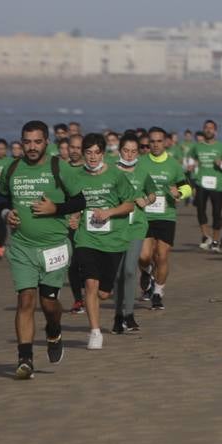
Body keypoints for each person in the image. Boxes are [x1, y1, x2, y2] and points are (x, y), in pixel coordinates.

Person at [0, 120, 87, 379]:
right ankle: (25, 359)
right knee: (25, 299)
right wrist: (7, 213)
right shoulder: (12, 168)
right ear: (21, 142)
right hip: (22, 247)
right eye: (27, 142)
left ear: (46, 142)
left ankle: (53, 328)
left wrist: (56, 209)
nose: (32, 147)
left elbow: (81, 199)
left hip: (54, 246)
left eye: (37, 141)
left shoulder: (59, 168)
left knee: (48, 303)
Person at [71, 134, 138, 350]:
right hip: (86, 238)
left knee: (104, 292)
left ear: (103, 153)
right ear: (83, 154)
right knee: (90, 283)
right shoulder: (75, 176)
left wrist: (109, 212)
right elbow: (69, 203)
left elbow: (129, 205)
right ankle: (95, 331)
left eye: (96, 152)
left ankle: (108, 300)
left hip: (113, 240)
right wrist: (72, 216)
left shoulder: (116, 176)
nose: (92, 157)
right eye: (88, 152)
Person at [136, 127, 193, 311]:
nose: (155, 144)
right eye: (152, 141)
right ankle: (145, 271)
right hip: (145, 215)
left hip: (166, 215)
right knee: (144, 256)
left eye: (159, 141)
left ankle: (158, 293)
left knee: (162, 255)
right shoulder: (141, 162)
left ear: (165, 142)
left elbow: (187, 187)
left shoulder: (173, 164)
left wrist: (179, 194)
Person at [110, 132, 146, 334]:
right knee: (117, 275)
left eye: (134, 151)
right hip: (115, 227)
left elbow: (152, 192)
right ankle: (117, 315)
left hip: (136, 226)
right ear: (119, 150)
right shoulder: (110, 171)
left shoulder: (143, 170)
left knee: (130, 270)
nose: (130, 155)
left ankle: (130, 315)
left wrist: (146, 200)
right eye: (126, 150)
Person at [190, 120, 222, 251]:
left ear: (215, 131)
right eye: (206, 128)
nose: (208, 130)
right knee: (200, 211)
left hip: (217, 185)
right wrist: (191, 164)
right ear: (204, 130)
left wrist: (221, 164)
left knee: (216, 214)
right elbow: (190, 158)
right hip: (201, 183)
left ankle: (215, 241)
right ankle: (206, 236)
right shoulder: (197, 146)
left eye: (211, 128)